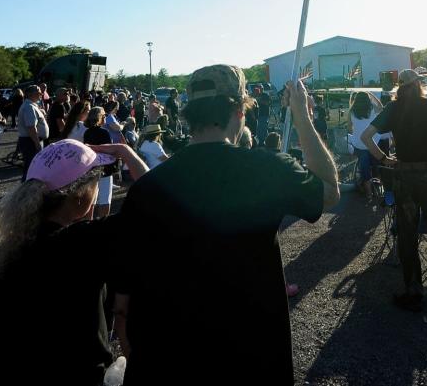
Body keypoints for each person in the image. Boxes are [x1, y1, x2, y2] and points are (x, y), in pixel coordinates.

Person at [113, 66, 338, 385]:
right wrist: (301, 113)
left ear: (189, 115)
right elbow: (329, 190)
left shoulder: (147, 189)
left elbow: (123, 299)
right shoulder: (268, 170)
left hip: (166, 361)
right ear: (239, 110)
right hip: (250, 359)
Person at [0, 139, 148, 386]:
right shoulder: (84, 244)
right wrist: (127, 153)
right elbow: (156, 205)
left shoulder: (2, 257)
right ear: (81, 195)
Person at [361, 69, 427, 312]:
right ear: (418, 84)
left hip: (404, 178)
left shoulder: (392, 108)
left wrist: (384, 158)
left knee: (407, 236)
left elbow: (366, 136)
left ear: (399, 87)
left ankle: (413, 291)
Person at [347, 91, 385, 199]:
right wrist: (371, 94)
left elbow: (349, 128)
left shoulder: (352, 111)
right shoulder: (373, 109)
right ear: (368, 100)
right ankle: (380, 183)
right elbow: (381, 108)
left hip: (359, 144)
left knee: (364, 167)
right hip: (373, 143)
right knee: (377, 161)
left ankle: (369, 193)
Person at [83, 107, 115, 219]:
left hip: (91, 167)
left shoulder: (87, 132)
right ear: (99, 117)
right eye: (104, 115)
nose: (105, 117)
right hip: (105, 168)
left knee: (92, 199)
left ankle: (88, 221)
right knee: (105, 198)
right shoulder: (104, 132)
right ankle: (102, 223)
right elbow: (110, 150)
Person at [16, 85, 48, 181]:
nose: (41, 94)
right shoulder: (29, 107)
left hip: (32, 141)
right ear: (30, 94)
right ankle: (24, 192)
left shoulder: (32, 105)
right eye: (38, 92)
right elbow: (31, 127)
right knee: (31, 168)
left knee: (33, 168)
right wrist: (37, 144)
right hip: (31, 141)